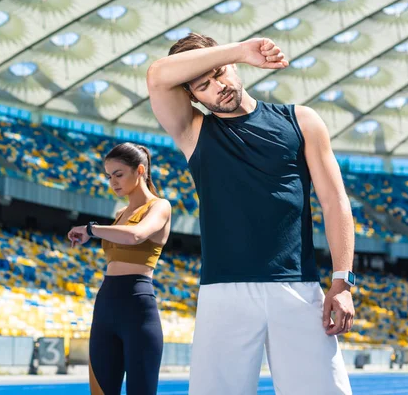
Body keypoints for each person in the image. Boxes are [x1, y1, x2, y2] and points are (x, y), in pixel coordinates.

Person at [146, 33, 356, 394]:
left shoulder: (301, 121)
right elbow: (157, 75)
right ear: (192, 96)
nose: (219, 87)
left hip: (298, 287)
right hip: (223, 293)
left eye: (221, 73)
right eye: (204, 85)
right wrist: (241, 51)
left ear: (233, 69)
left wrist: (344, 280)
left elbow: (334, 201)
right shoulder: (194, 131)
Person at [67, 142, 172, 395]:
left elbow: (136, 235)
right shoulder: (120, 212)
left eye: (118, 174)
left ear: (139, 171)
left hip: (137, 309)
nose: (113, 182)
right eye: (108, 176)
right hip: (105, 307)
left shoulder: (160, 206)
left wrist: (90, 230)